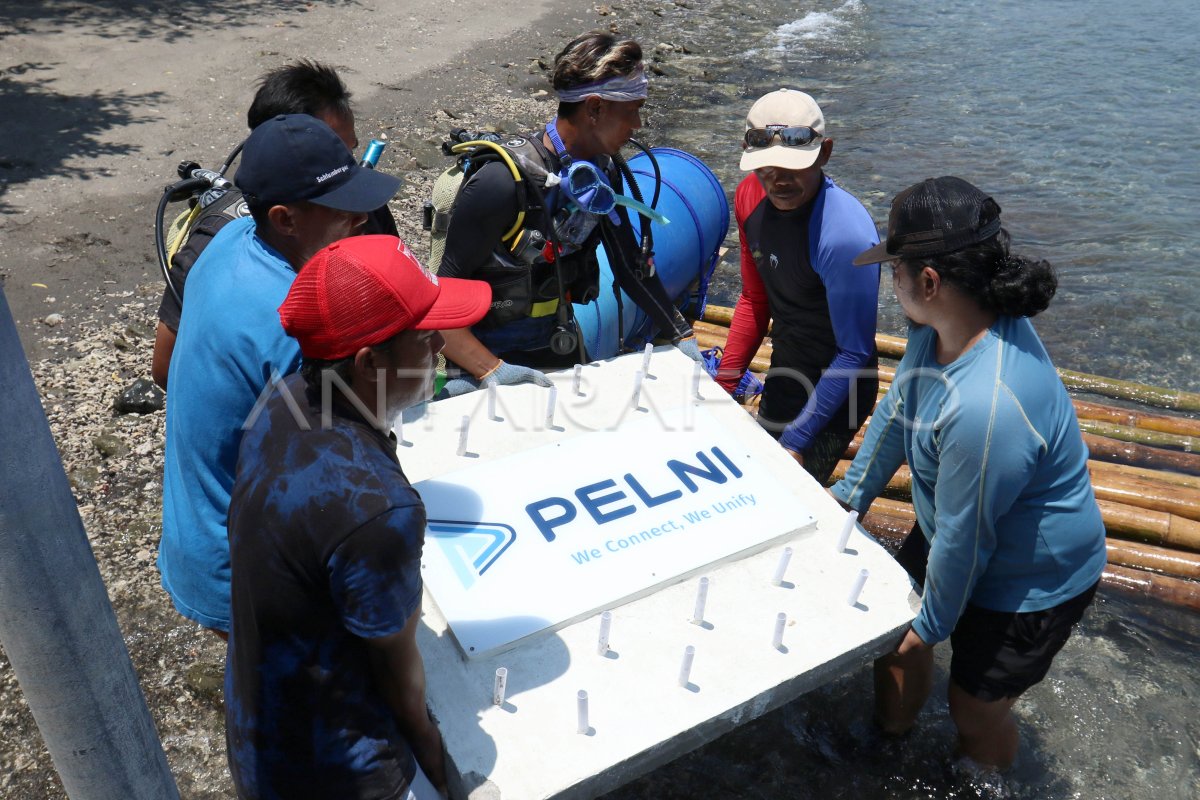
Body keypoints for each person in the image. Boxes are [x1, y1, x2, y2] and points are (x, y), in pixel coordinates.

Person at [829, 177, 1106, 770]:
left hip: (1033, 576)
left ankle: (982, 777)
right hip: (960, 520)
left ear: (929, 281)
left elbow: (965, 538)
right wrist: (846, 500)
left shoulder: (987, 404)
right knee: (894, 635)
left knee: (972, 708)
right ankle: (889, 744)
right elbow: (900, 409)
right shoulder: (942, 323)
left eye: (895, 268)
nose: (890, 281)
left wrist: (929, 627)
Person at [225, 234, 489, 799]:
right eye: (425, 339)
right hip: (337, 773)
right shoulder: (377, 508)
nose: (442, 346)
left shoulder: (283, 399)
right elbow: (402, 682)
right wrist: (445, 771)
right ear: (370, 362)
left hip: (259, 733)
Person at [158, 114, 402, 637]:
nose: (361, 221)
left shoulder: (230, 238)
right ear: (285, 218)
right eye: (344, 211)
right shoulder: (295, 327)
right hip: (241, 572)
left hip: (191, 530)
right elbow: (330, 495)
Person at [435, 31, 702, 394]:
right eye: (632, 110)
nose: (638, 125)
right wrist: (490, 370)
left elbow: (629, 267)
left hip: (553, 341)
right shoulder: (502, 182)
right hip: (480, 357)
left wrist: (680, 334)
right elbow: (438, 299)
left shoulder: (601, 176)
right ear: (594, 108)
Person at [152, 59, 399, 389]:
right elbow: (167, 369)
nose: (347, 171)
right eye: (330, 152)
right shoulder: (217, 246)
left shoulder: (360, 206)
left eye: (348, 153)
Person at [715, 89, 881, 484]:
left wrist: (797, 440)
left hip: (838, 391)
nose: (779, 180)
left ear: (824, 153)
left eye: (794, 166)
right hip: (786, 369)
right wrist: (724, 384)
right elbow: (756, 298)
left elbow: (854, 351)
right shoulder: (749, 197)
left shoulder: (844, 237)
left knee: (791, 492)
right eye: (766, 167)